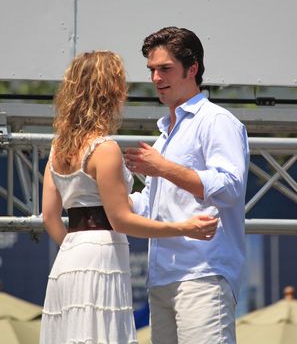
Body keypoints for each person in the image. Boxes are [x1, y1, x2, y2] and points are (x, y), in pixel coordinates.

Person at [39, 50, 218, 344]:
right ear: (111, 91)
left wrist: (76, 246)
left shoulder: (58, 148)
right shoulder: (104, 148)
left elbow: (49, 217)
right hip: (101, 256)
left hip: (68, 259)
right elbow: (121, 220)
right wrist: (184, 228)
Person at [125, 27, 250, 344]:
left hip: (203, 273)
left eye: (165, 68)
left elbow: (230, 187)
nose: (155, 78)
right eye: (151, 70)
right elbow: (150, 204)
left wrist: (163, 167)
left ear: (192, 68)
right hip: (162, 278)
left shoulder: (217, 121)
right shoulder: (165, 134)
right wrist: (109, 193)